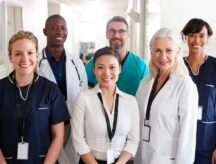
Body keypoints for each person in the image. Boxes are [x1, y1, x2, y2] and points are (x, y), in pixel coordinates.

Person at [0, 30, 70, 164]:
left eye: (30, 53)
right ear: (10, 57)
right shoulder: (1, 89)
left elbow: (59, 136)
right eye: (18, 53)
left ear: (37, 55)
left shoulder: (50, 90)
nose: (25, 59)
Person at [135, 28, 198, 164]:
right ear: (151, 52)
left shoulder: (185, 86)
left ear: (178, 52)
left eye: (168, 50)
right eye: (157, 50)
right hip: (143, 156)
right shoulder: (146, 82)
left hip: (167, 160)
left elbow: (187, 136)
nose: (162, 56)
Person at [72, 46, 140, 164]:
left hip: (121, 161)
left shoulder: (130, 101)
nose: (106, 73)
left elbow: (133, 140)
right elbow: (78, 140)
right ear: (93, 69)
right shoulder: (83, 99)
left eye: (112, 67)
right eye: (100, 67)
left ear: (120, 68)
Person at [37, 14, 88, 164]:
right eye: (54, 28)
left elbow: (84, 95)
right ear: (45, 31)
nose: (59, 32)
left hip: (72, 122)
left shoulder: (77, 63)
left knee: (70, 158)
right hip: (45, 123)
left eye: (63, 28)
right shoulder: (36, 63)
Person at [181, 18, 216, 164]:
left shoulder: (215, 66)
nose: (196, 40)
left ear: (207, 38)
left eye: (201, 35)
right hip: (180, 142)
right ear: (186, 37)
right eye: (192, 35)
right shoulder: (177, 67)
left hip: (207, 143)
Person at [85, 16, 149, 96]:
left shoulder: (140, 66)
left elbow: (145, 98)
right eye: (112, 31)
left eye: (121, 31)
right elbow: (88, 97)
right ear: (107, 34)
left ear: (128, 35)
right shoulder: (92, 64)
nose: (116, 35)